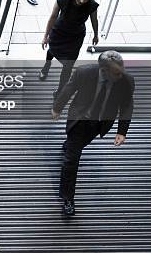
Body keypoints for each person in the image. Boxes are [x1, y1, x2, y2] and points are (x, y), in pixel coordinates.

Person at [52, 51, 134, 217]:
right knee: (72, 160)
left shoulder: (126, 81)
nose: (121, 74)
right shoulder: (84, 72)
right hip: (80, 120)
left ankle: (69, 145)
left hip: (100, 124)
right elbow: (69, 89)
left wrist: (122, 131)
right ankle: (68, 198)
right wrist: (57, 108)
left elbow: (126, 105)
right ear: (103, 70)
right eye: (116, 72)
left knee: (77, 146)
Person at [40, 0, 99, 93]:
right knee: (51, 51)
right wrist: (45, 36)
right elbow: (52, 17)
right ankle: (46, 66)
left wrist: (96, 35)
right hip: (59, 32)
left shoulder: (91, 5)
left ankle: (60, 91)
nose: (82, 1)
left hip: (75, 37)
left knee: (68, 65)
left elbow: (94, 20)